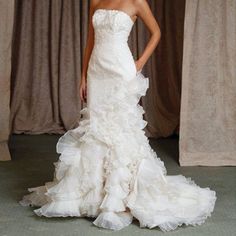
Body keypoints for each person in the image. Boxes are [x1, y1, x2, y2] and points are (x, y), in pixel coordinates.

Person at [20, 0, 217, 232]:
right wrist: (83, 76)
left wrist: (140, 62)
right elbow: (90, 42)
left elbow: (156, 33)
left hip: (121, 69)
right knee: (95, 127)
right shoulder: (96, 1)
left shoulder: (137, 1)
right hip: (97, 70)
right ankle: (93, 194)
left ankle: (119, 195)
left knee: (120, 127)